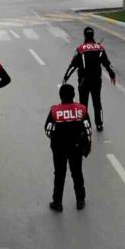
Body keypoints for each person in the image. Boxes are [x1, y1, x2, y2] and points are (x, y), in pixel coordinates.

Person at [45, 84, 92, 212]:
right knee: (77, 173)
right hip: (76, 148)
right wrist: (87, 146)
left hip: (59, 148)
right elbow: (88, 129)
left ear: (60, 96)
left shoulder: (55, 111)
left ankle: (57, 202)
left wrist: (55, 139)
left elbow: (48, 130)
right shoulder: (81, 110)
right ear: (73, 95)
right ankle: (80, 201)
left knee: (59, 174)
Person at [62, 27, 116, 132]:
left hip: (83, 82)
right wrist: (112, 75)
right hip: (96, 81)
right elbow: (107, 64)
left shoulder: (80, 49)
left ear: (84, 36)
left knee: (83, 104)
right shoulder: (100, 48)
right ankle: (99, 124)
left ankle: (84, 125)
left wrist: (65, 78)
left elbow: (73, 66)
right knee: (97, 102)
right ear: (93, 35)